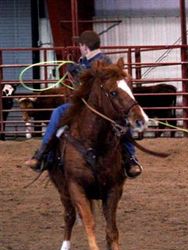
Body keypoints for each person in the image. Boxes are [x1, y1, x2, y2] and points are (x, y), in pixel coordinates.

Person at [24, 30, 143, 178]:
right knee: (61, 114)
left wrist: (79, 71)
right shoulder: (84, 60)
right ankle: (45, 155)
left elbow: (94, 78)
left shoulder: (103, 61)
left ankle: (130, 158)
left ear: (85, 46)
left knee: (58, 113)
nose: (79, 48)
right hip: (82, 103)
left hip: (99, 106)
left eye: (80, 45)